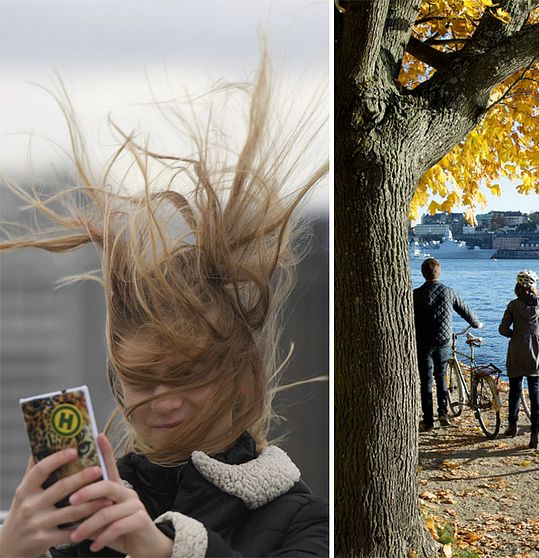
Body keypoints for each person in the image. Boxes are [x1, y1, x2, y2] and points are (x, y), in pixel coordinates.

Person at [0, 48, 329, 557]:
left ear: (241, 378)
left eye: (188, 375)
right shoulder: (90, 513)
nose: (164, 400)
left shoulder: (304, 518)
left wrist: (159, 548)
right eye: (142, 380)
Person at [412, 257, 482, 432]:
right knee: (441, 377)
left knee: (426, 381)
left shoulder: (416, 294)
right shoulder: (448, 291)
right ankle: (443, 413)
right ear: (439, 272)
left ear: (423, 274)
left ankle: (428, 420)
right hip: (443, 341)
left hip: (424, 342)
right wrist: (476, 324)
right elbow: (464, 310)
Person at [498, 270, 539, 449]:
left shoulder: (513, 305)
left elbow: (502, 330)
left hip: (517, 351)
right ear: (535, 286)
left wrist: (516, 335)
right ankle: (535, 434)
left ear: (517, 286)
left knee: (515, 390)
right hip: (537, 352)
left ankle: (512, 426)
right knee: (535, 392)